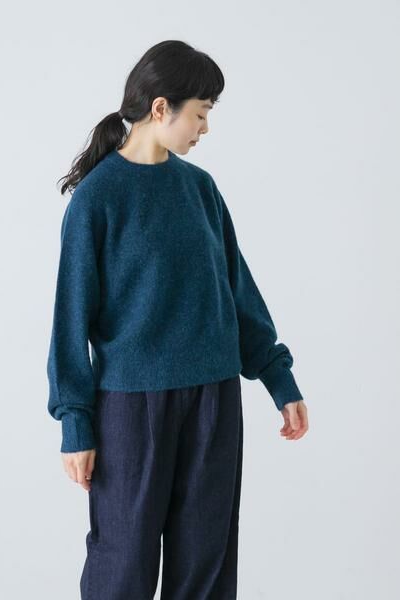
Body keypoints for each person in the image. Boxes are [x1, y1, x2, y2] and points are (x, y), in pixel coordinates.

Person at [46, 39, 309, 600]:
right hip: (131, 407)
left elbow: (237, 292)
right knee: (123, 565)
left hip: (214, 400)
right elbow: (70, 320)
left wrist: (278, 378)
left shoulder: (200, 190)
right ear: (161, 107)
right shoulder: (96, 200)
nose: (206, 128)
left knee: (205, 568)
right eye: (202, 113)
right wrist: (76, 424)